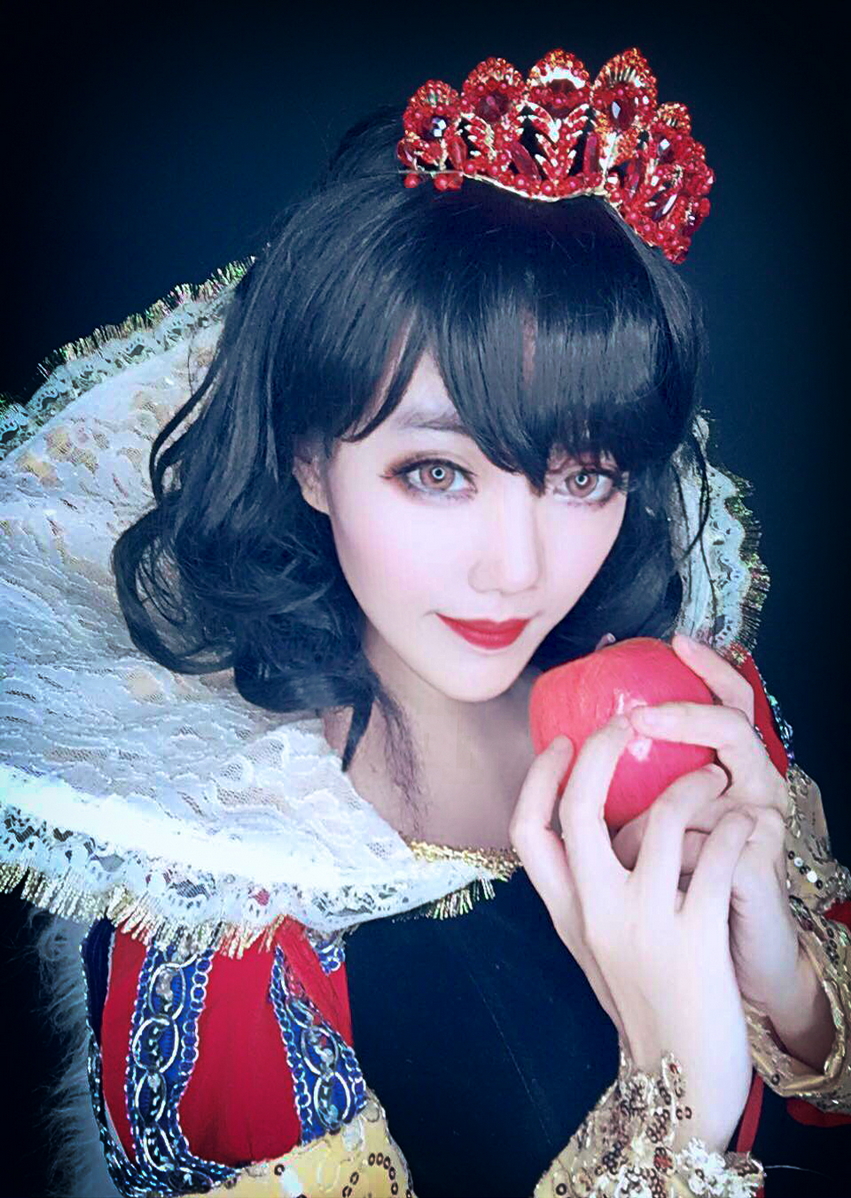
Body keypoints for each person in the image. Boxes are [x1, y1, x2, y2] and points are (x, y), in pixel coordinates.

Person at [1, 46, 849, 1198]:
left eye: (584, 475)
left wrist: (788, 989)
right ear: (309, 458)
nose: (518, 569)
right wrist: (673, 1116)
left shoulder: (696, 708)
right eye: (437, 473)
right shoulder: (216, 909)